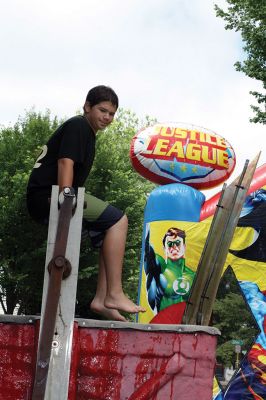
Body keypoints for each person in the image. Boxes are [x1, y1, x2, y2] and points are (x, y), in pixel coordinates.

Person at [27, 85, 145, 321]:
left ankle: (101, 300)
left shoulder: (88, 134)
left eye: (112, 114)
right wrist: (67, 197)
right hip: (47, 197)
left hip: (50, 196)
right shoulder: (79, 125)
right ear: (87, 106)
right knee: (119, 220)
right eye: (102, 110)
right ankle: (114, 292)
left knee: (107, 230)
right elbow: (65, 163)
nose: (107, 117)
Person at [144, 227, 195, 312]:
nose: (174, 247)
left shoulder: (193, 275)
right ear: (165, 249)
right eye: (170, 244)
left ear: (184, 247)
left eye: (178, 243)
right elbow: (149, 255)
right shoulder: (162, 268)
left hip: (187, 323)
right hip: (163, 323)